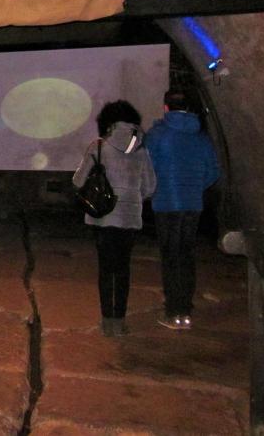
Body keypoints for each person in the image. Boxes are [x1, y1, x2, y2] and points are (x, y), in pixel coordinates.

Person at [73, 101, 156, 337]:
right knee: (122, 269)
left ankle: (106, 320)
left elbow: (78, 181)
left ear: (107, 122)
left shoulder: (98, 147)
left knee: (105, 269)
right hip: (129, 218)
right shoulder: (141, 150)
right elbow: (150, 186)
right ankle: (119, 321)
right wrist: (133, 196)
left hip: (103, 217)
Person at [145, 90, 220, 331]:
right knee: (186, 255)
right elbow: (213, 171)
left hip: (166, 203)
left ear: (166, 107)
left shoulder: (157, 135)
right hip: (192, 204)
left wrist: (153, 189)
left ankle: (173, 311)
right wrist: (195, 186)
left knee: (170, 256)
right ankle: (185, 310)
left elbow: (147, 168)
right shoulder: (201, 137)